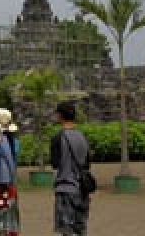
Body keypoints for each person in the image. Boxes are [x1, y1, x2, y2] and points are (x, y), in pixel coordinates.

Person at [50, 101, 92, 236]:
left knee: (66, 230)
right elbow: (87, 163)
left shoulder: (58, 138)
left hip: (65, 187)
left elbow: (55, 164)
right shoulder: (83, 137)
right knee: (80, 229)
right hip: (82, 189)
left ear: (60, 116)